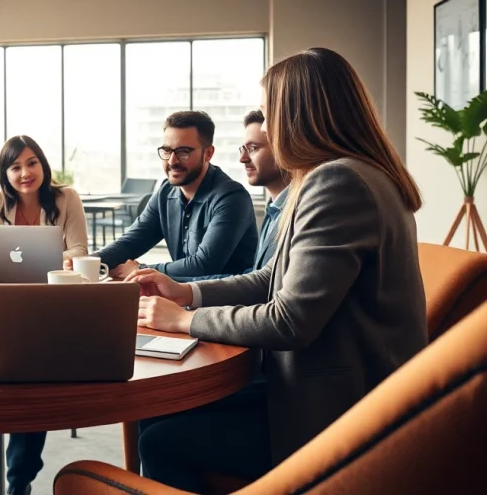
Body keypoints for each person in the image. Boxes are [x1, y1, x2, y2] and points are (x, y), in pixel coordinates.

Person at [130, 47, 428, 491]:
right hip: (329, 387)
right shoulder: (346, 175)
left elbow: (291, 320)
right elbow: (274, 278)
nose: (265, 129)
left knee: (159, 442)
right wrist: (185, 292)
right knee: (155, 415)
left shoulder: (337, 183)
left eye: (269, 116)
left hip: (339, 410)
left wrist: (185, 321)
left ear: (298, 115)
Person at [0, 135, 89, 495]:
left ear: (43, 164)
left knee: (32, 384)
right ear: (5, 173)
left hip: (51, 306)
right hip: (3, 306)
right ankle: (12, 472)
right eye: (16, 166)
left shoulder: (66, 198)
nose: (25, 173)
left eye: (32, 162)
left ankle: (18, 479)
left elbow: (79, 249)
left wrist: (57, 260)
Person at [70, 111, 258, 280]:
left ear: (208, 153)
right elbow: (132, 242)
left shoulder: (231, 197)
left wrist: (141, 269)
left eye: (184, 151)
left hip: (226, 306)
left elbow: (204, 265)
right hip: (182, 297)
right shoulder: (166, 192)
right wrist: (86, 261)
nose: (172, 161)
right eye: (167, 151)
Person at [176, 110, 291, 282]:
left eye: (253, 148)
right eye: (242, 149)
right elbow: (256, 279)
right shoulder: (274, 210)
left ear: (285, 148)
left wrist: (179, 290)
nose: (242, 158)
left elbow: (268, 291)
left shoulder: (297, 210)